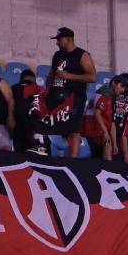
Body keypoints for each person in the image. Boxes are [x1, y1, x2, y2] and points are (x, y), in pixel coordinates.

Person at [48, 27, 97, 158]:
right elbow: (52, 74)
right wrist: (48, 91)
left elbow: (92, 77)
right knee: (52, 125)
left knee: (74, 128)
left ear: (69, 39)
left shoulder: (82, 55)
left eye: (59, 39)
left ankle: (73, 157)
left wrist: (70, 76)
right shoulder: (57, 55)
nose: (57, 42)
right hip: (56, 95)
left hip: (75, 97)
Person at [83, 73, 128, 160]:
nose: (123, 90)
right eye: (122, 86)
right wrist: (105, 133)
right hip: (92, 133)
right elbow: (97, 114)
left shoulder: (111, 98)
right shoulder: (105, 94)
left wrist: (115, 143)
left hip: (98, 134)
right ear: (113, 83)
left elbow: (112, 123)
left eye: (124, 87)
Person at [10, 68, 42, 153]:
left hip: (18, 125)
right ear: (33, 79)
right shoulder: (40, 89)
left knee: (19, 156)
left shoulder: (14, 88)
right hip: (35, 126)